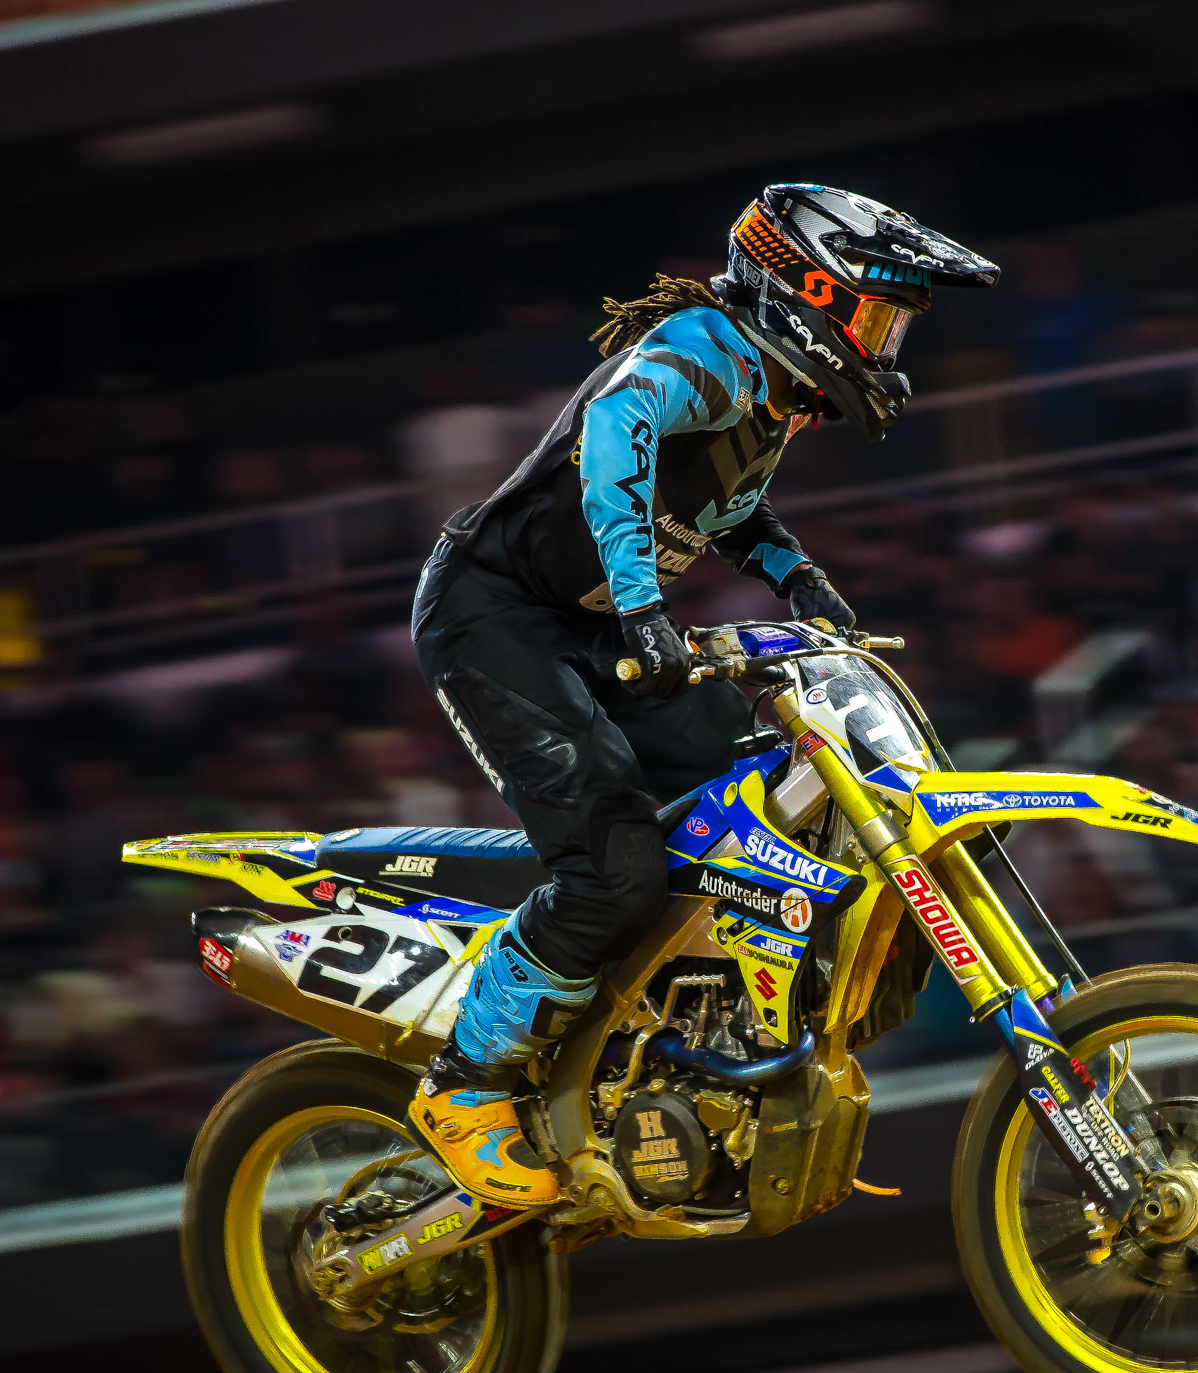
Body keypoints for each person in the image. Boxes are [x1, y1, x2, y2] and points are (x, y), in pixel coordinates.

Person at [406, 184, 997, 1204]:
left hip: (592, 625)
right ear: (809, 293)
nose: (886, 347)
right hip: (492, 614)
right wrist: (645, 609)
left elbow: (724, 500)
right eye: (878, 319)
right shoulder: (703, 348)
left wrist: (796, 576)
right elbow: (615, 430)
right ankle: (466, 1082)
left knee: (780, 782)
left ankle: (672, 1033)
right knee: (612, 863)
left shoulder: (771, 392)